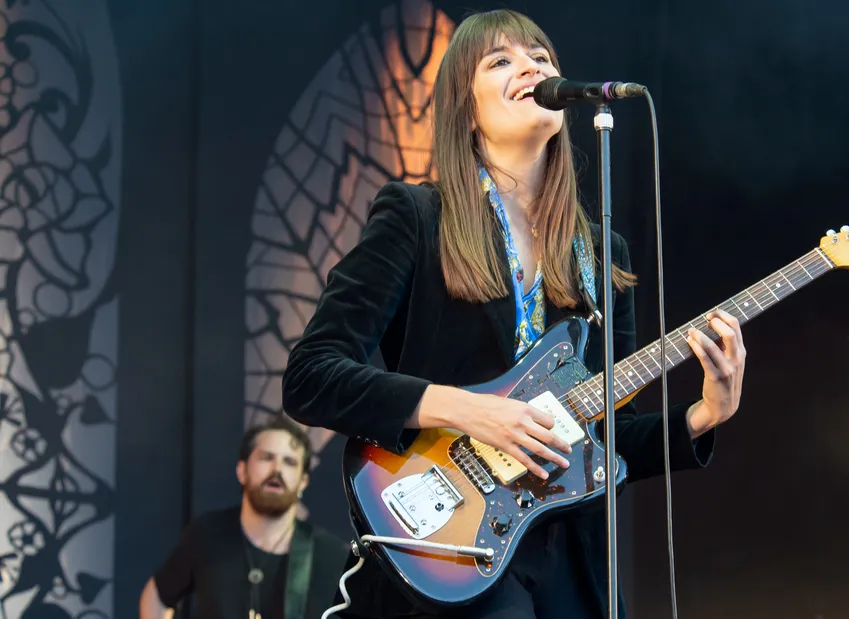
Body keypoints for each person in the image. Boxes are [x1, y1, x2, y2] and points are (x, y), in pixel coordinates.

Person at [281, 8, 747, 619]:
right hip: (450, 548)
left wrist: (702, 416)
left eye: (541, 58)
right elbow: (311, 375)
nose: (531, 66)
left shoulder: (602, 256)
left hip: (566, 565)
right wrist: (469, 410)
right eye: (501, 61)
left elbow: (602, 437)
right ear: (464, 109)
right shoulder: (415, 217)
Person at [138, 418, 349, 619]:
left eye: (290, 462)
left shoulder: (330, 554)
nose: (277, 470)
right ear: (242, 471)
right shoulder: (207, 535)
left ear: (303, 481)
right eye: (267, 457)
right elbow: (157, 596)